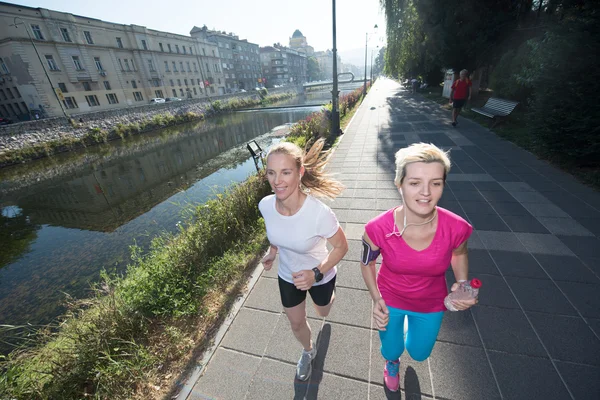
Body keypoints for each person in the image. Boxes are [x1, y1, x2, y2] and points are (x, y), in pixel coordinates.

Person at [360, 143, 477, 392]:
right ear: (399, 183)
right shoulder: (377, 228)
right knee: (391, 349)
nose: (426, 192)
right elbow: (367, 262)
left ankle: (404, 329)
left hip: (431, 302)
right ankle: (392, 363)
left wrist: (463, 284)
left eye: (435, 183)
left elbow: (460, 253)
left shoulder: (457, 228)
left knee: (419, 353)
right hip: (390, 299)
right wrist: (376, 298)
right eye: (415, 182)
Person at [259, 138, 348, 381]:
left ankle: (330, 294)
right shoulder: (266, 205)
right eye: (271, 173)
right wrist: (273, 253)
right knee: (297, 324)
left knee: (323, 312)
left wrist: (316, 274)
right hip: (287, 275)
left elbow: (342, 246)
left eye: (285, 172)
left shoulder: (318, 213)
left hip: (320, 274)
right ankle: (308, 351)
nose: (277, 181)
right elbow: (278, 234)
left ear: (300, 172)